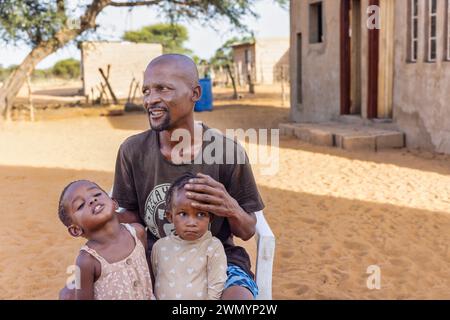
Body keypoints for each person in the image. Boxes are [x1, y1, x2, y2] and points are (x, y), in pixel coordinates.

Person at [113, 53, 265, 299]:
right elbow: (130, 214)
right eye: (147, 91)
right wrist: (107, 216)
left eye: (163, 89)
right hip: (155, 260)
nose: (151, 100)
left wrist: (230, 207)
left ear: (195, 94)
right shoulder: (132, 150)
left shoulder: (226, 152)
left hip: (217, 258)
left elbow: (247, 231)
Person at [58, 180, 154, 300]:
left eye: (97, 195)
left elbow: (148, 273)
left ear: (114, 203)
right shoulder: (86, 260)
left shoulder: (137, 233)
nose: (92, 200)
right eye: (81, 205)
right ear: (75, 230)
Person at [151, 172, 227, 300]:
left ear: (210, 218)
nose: (192, 223)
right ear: (170, 217)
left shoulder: (213, 247)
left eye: (201, 214)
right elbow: (155, 278)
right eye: (183, 214)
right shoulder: (160, 247)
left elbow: (216, 286)